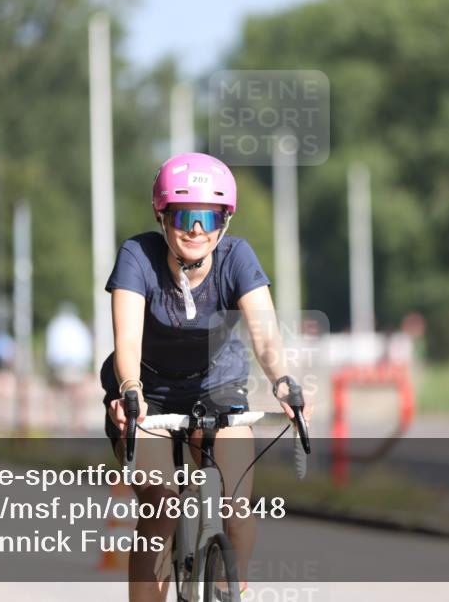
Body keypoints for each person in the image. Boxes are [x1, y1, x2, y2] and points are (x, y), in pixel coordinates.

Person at [101, 152, 312, 602]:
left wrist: (282, 381)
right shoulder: (137, 256)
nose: (197, 229)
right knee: (161, 506)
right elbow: (128, 342)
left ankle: (230, 587)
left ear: (224, 221)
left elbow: (265, 336)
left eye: (209, 217)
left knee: (235, 506)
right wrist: (130, 390)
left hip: (217, 388)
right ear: (162, 215)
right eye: (185, 216)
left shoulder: (237, 257)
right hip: (147, 394)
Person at [45, 302, 93, 430]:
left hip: (59, 364)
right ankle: (78, 421)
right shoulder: (79, 325)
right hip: (77, 364)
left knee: (54, 391)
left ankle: (52, 419)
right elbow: (85, 347)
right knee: (78, 392)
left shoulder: (55, 324)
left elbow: (52, 348)